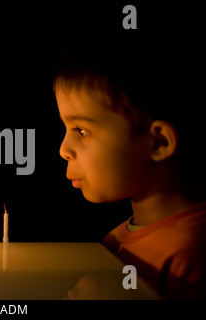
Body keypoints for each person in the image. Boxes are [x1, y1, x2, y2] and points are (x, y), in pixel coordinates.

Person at [54, 37, 206, 299]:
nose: (63, 149)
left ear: (157, 143)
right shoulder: (114, 240)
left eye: (81, 130)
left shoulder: (193, 253)